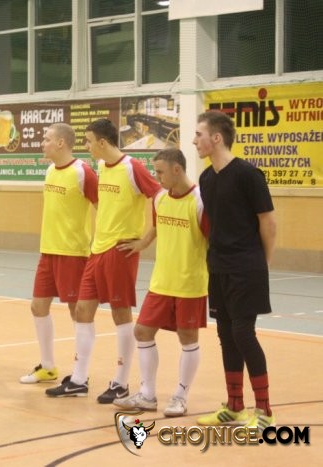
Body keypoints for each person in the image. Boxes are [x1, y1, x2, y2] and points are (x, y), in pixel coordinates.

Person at [45, 118, 160, 400]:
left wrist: (145, 240)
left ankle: (121, 382)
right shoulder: (101, 166)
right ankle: (79, 380)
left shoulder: (132, 167)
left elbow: (160, 197)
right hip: (97, 249)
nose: (86, 146)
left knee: (121, 314)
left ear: (103, 142)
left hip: (121, 251)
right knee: (83, 311)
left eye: (88, 141)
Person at [193, 110, 277, 431]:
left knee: (243, 333)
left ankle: (265, 411)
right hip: (219, 267)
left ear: (216, 138)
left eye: (199, 134)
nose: (194, 141)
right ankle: (234, 406)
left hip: (246, 266)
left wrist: (261, 263)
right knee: (226, 335)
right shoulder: (206, 178)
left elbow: (267, 221)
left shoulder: (248, 174)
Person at [112, 148, 208, 417]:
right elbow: (156, 226)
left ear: (177, 170)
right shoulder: (159, 198)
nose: (157, 177)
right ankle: (147, 395)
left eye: (160, 172)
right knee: (142, 331)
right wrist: (143, 243)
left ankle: (180, 396)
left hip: (190, 284)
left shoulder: (200, 201)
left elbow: (213, 240)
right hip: (160, 282)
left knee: (187, 337)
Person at [19, 123, 98, 386]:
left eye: (47, 139)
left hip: (73, 253)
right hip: (48, 251)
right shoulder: (50, 170)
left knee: (78, 311)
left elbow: (102, 206)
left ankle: (80, 373)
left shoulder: (82, 172)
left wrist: (99, 242)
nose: (43, 143)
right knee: (38, 306)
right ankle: (48, 367)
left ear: (61, 143)